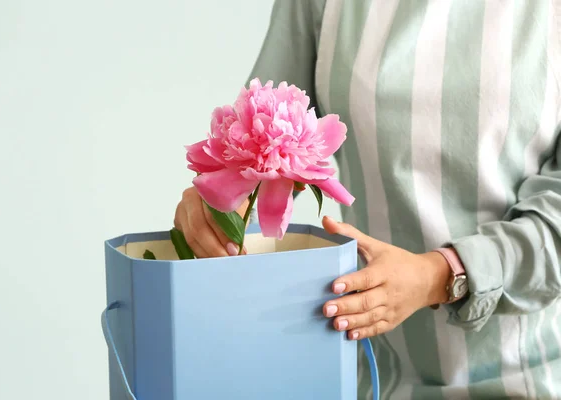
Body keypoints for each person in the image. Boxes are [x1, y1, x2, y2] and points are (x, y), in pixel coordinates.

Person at [174, 1, 561, 398]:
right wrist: (219, 193)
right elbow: (262, 123)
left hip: (533, 382)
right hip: (372, 378)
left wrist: (438, 275)